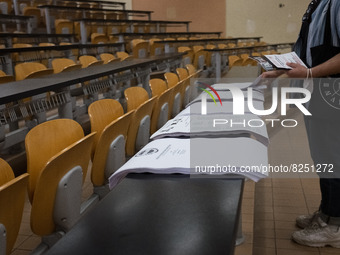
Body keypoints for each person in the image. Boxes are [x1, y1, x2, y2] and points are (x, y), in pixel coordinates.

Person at [262, 0, 340, 248]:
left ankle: (334, 225)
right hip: (318, 92)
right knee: (323, 157)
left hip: (332, 92)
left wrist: (308, 73)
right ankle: (327, 212)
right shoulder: (319, 3)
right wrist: (279, 69)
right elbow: (306, 48)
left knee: (334, 157)